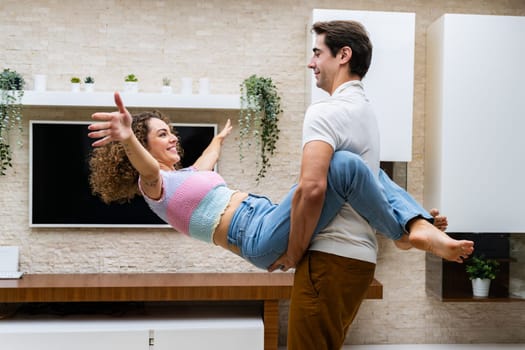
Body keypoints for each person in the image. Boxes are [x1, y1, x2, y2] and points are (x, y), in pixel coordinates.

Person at [88, 92, 472, 272]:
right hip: (255, 235)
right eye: (162, 135)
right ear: (141, 147)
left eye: (171, 131)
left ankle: (413, 223)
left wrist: (219, 140)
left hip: (265, 216)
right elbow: (149, 169)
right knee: (344, 165)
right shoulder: (154, 187)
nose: (172, 137)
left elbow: (208, 161)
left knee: (367, 168)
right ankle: (403, 234)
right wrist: (128, 137)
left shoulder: (186, 178)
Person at [267, 20, 474, 350]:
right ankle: (415, 227)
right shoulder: (365, 112)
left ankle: (413, 230)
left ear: (343, 55)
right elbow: (368, 190)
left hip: (328, 258)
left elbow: (311, 188)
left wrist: (293, 252)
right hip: (359, 261)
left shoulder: (326, 111)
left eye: (317, 53)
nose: (311, 63)